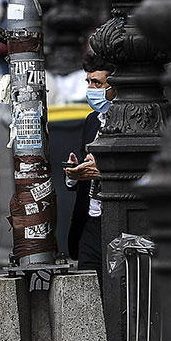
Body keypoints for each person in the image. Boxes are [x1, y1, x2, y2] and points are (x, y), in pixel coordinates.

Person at [65, 54, 114, 279]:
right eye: (89, 82)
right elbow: (84, 168)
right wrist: (75, 174)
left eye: (97, 83)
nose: (91, 88)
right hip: (91, 220)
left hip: (116, 217)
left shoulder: (130, 119)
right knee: (88, 284)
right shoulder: (92, 120)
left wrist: (103, 169)